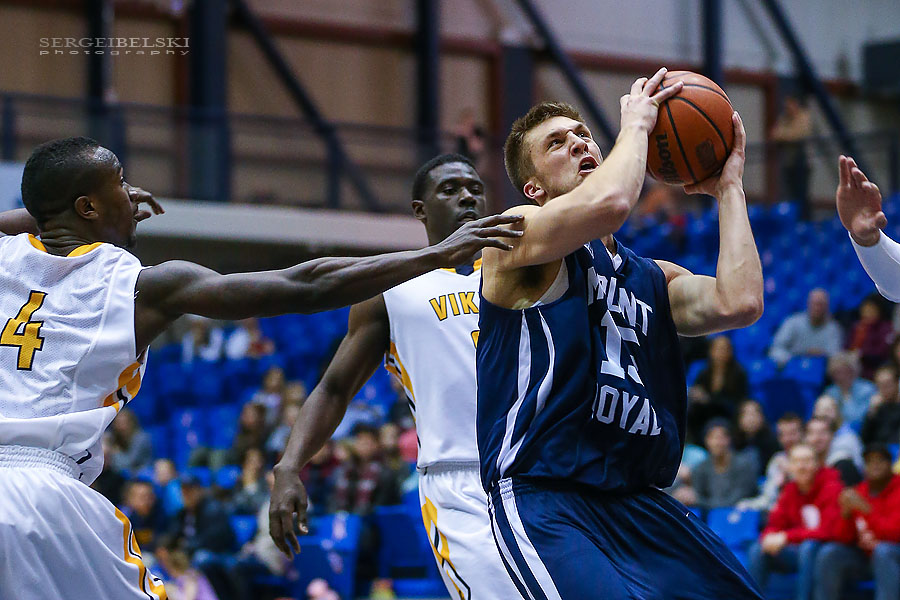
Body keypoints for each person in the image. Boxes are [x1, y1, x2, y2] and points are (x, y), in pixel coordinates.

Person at [0, 136, 521, 600]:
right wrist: (436, 256)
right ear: (87, 206)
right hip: (45, 494)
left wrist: (56, 213)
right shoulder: (140, 285)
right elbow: (306, 285)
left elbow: (36, 220)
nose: (132, 192)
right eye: (120, 183)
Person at [476, 68, 764, 599]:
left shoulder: (653, 277)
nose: (579, 144)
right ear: (534, 188)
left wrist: (729, 189)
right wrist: (635, 124)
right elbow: (611, 204)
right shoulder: (511, 237)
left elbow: (740, 301)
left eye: (583, 135)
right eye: (557, 144)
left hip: (638, 500)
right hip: (548, 497)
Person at [269, 153, 524, 598]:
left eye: (475, 188)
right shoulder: (391, 290)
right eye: (450, 189)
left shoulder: (526, 271)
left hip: (539, 470)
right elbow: (334, 387)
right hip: (459, 481)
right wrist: (290, 465)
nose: (467, 195)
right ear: (420, 210)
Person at [748, 444, 843, 600]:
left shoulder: (832, 486)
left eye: (807, 461)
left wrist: (786, 537)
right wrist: (770, 537)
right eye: (796, 461)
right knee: (758, 549)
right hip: (797, 552)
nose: (801, 466)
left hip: (825, 553)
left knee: (809, 546)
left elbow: (829, 531)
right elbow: (774, 524)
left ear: (817, 464)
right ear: (790, 467)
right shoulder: (790, 490)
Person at [814, 443, 900, 600]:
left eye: (880, 460)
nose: (875, 465)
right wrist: (845, 515)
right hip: (864, 558)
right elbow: (843, 538)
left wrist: (866, 510)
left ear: (890, 464)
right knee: (830, 552)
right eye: (869, 461)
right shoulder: (860, 490)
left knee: (883, 551)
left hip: (893, 556)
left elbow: (893, 534)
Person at [738, 412, 805, 511]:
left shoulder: (810, 458)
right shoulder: (777, 459)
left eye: (792, 433)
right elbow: (767, 498)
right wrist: (748, 504)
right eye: (782, 434)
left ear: (802, 434)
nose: (787, 439)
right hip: (776, 513)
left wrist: (790, 471)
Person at [688, 335, 749, 442]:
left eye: (725, 349)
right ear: (711, 351)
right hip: (704, 416)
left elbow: (738, 402)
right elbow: (698, 395)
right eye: (718, 349)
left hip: (728, 416)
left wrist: (709, 400)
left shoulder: (739, 374)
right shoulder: (704, 373)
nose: (721, 353)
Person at [688, 418, 759, 510]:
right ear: (706, 441)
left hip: (739, 514)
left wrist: (699, 501)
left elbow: (735, 500)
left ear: (729, 440)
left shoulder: (744, 465)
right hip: (709, 517)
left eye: (721, 438)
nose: (717, 443)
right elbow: (697, 495)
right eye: (713, 438)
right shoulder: (701, 468)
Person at [768, 289, 844, 368]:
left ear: (827, 307)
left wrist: (822, 356)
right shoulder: (792, 322)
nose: (817, 308)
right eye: (815, 304)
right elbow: (775, 349)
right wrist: (795, 360)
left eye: (821, 304)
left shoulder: (834, 329)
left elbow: (835, 356)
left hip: (822, 372)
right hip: (792, 368)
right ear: (808, 304)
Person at [770, 95, 813, 218]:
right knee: (791, 195)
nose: (787, 107)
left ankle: (805, 222)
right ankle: (795, 221)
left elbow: (799, 134)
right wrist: (786, 135)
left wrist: (785, 135)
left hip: (802, 162)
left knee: (802, 195)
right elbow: (774, 134)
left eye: (790, 104)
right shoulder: (785, 118)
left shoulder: (803, 116)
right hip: (789, 162)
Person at [821, 351, 876, 431]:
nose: (840, 376)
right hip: (836, 431)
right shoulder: (830, 392)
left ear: (852, 370)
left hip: (865, 430)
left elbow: (861, 416)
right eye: (836, 372)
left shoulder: (867, 389)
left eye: (844, 371)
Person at [805, 415, 862, 486]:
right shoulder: (805, 466)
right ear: (805, 437)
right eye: (812, 433)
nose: (817, 438)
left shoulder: (844, 464)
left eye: (822, 433)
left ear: (832, 435)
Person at [846, 294, 893, 379]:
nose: (868, 313)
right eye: (865, 309)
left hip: (876, 368)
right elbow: (847, 347)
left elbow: (882, 353)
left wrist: (863, 354)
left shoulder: (885, 328)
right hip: (854, 366)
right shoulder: (857, 327)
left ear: (879, 310)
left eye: (871, 310)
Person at [861, 364, 900, 446]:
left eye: (888, 384)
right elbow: (864, 439)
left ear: (897, 383)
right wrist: (871, 412)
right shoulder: (876, 408)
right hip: (878, 452)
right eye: (880, 385)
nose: (884, 388)